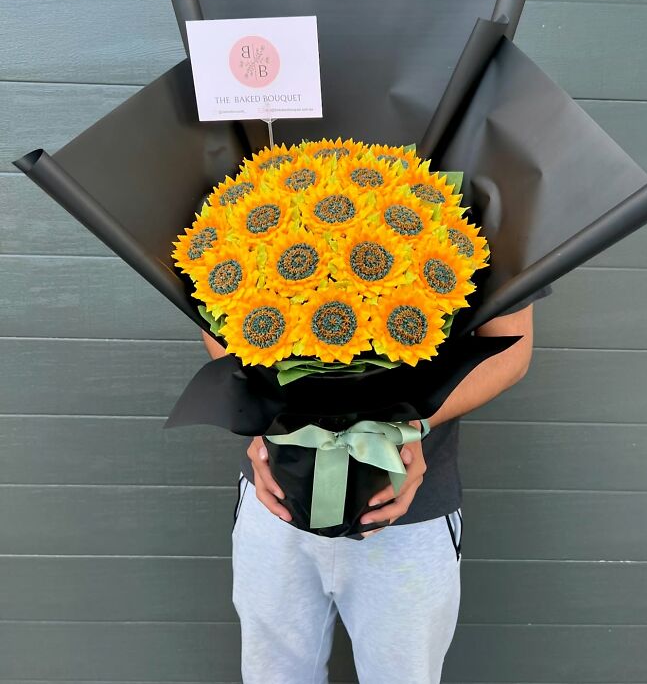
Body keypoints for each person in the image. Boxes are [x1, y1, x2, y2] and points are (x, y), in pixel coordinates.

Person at [201, 286, 552, 684]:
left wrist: (412, 425)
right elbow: (215, 308)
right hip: (276, 497)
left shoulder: (483, 221)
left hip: (409, 511)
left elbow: (511, 347)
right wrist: (263, 412)